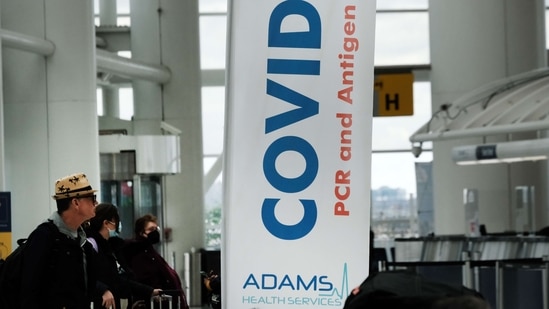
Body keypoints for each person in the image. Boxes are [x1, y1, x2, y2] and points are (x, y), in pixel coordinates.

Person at [19, 172, 107, 308]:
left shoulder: (83, 241)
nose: (96, 203)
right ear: (76, 202)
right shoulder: (44, 237)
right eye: (91, 198)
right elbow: (29, 288)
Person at [85, 203, 163, 309]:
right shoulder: (92, 245)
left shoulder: (111, 247)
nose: (118, 224)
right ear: (106, 223)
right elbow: (89, 276)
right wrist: (103, 290)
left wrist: (149, 291)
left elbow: (119, 279)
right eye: (116, 220)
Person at [122, 214, 189, 309]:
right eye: (151, 229)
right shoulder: (138, 254)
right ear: (141, 232)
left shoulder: (150, 251)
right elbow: (147, 279)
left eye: (156, 229)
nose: (155, 232)